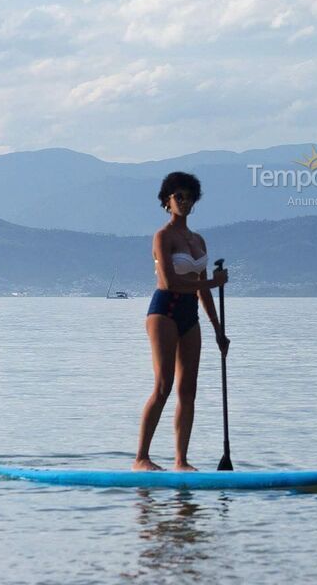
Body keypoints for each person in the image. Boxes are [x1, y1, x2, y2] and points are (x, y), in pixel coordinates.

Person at [134, 172, 229, 472]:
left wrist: (218, 331)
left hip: (190, 314)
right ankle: (141, 459)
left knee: (188, 390)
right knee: (163, 385)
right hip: (164, 311)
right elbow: (169, 282)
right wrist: (214, 283)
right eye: (179, 197)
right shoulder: (163, 236)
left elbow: (202, 289)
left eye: (189, 197)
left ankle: (181, 461)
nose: (185, 202)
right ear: (167, 202)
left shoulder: (198, 239)